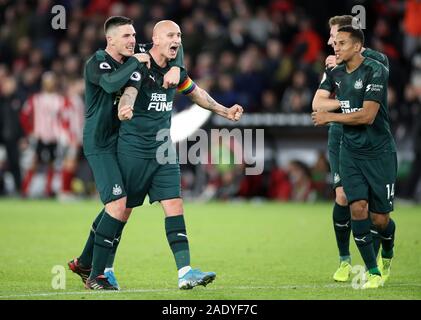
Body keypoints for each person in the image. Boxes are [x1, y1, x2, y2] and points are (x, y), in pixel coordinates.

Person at [116, 20, 243, 289]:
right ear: (155, 39)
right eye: (171, 35)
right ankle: (99, 266)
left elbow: (196, 93)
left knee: (174, 204)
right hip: (134, 148)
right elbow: (125, 90)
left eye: (180, 36)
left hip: (163, 148)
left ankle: (185, 272)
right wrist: (125, 107)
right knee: (120, 211)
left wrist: (224, 111)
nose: (177, 40)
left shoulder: (176, 71)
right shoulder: (138, 64)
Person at [68, 16, 184, 290]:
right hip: (100, 144)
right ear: (110, 40)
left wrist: (178, 68)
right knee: (119, 205)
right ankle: (96, 276)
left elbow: (172, 41)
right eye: (126, 37)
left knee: (116, 207)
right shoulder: (97, 62)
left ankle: (85, 261)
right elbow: (109, 84)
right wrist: (135, 62)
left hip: (121, 142)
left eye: (134, 35)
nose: (133, 40)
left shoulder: (134, 54)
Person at [312, 26, 397, 289]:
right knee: (356, 206)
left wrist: (332, 115)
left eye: (341, 43)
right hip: (350, 150)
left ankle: (387, 252)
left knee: (379, 219)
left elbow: (368, 115)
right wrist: (343, 105)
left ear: (358, 46)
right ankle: (371, 272)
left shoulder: (375, 69)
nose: (335, 47)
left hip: (379, 151)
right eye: (334, 43)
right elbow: (317, 103)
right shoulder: (334, 72)